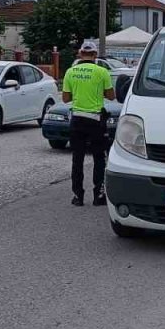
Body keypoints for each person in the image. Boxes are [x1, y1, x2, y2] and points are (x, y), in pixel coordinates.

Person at [62, 40, 116, 206]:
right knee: (99, 158)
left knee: (77, 159)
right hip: (95, 120)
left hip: (77, 119)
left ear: (80, 54)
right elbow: (111, 96)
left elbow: (65, 98)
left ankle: (78, 196)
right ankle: (98, 196)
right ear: (94, 55)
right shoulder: (102, 72)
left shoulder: (70, 72)